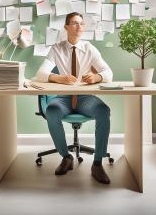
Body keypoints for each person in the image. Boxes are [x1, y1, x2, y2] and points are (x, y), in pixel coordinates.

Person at [36, 12, 113, 184]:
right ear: (66, 27)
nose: (79, 27)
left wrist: (97, 77)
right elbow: (40, 74)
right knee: (52, 111)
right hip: (64, 97)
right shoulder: (57, 48)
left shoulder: (90, 48)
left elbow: (109, 73)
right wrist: (59, 78)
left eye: (81, 24)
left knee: (103, 111)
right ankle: (66, 157)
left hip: (85, 97)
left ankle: (97, 163)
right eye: (74, 23)